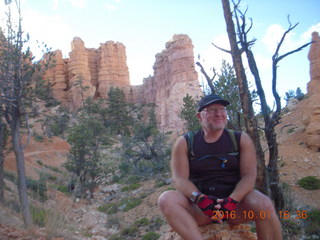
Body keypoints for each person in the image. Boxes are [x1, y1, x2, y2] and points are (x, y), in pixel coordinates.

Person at [158, 94, 282, 240]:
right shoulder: (185, 142)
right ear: (199, 116)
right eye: (211, 110)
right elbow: (179, 179)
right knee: (166, 199)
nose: (219, 114)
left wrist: (231, 201)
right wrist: (201, 199)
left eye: (222, 109)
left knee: (264, 204)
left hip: (234, 209)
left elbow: (249, 176)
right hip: (201, 209)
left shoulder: (240, 139)